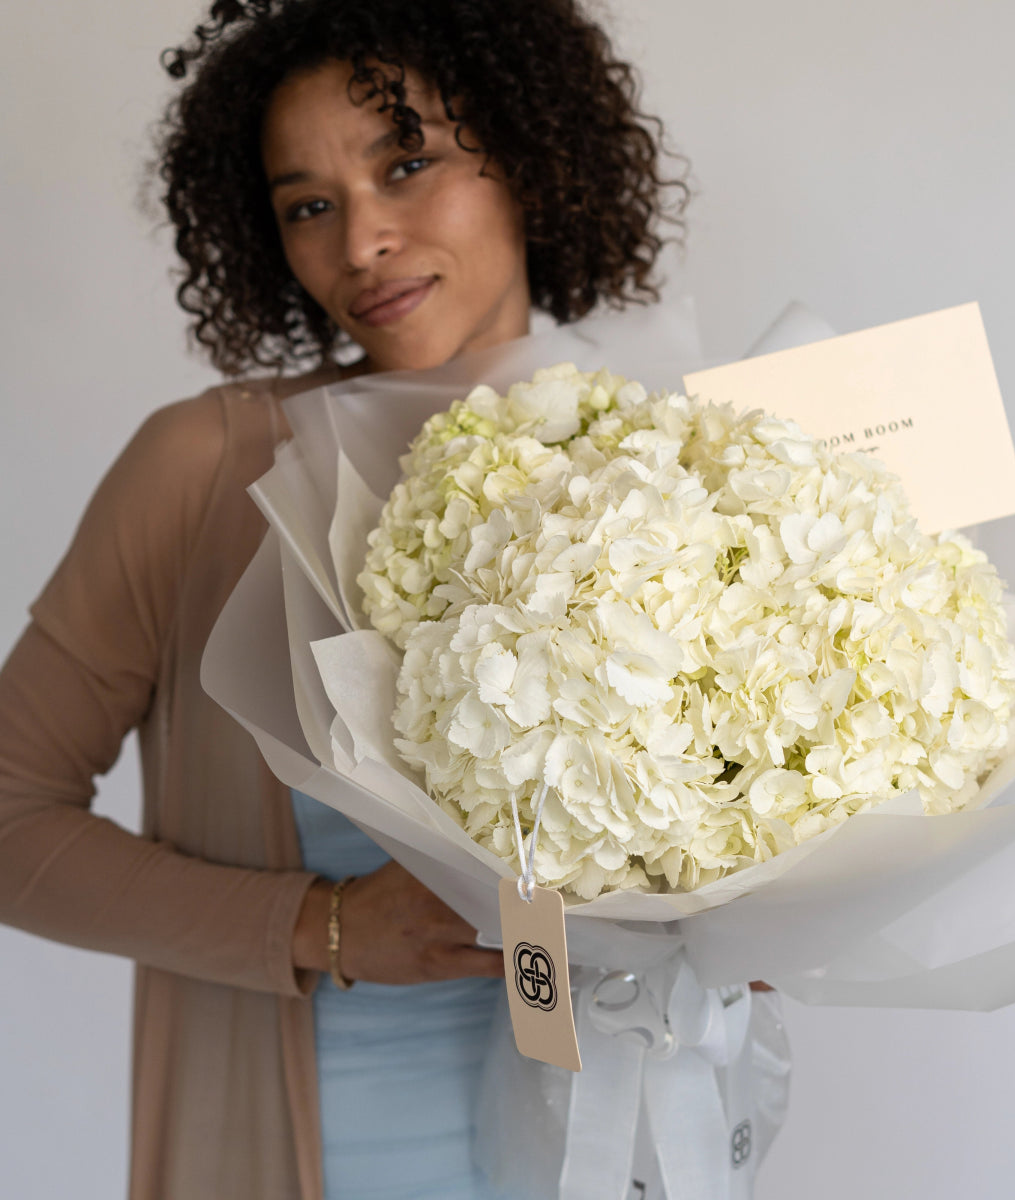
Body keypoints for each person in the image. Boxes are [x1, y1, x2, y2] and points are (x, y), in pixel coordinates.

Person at [0, 2, 684, 1197]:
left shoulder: (684, 473)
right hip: (310, 1143)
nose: (362, 240)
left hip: (603, 1144)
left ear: (530, 150)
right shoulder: (206, 471)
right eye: (308, 204)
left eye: (405, 164)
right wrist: (320, 928)